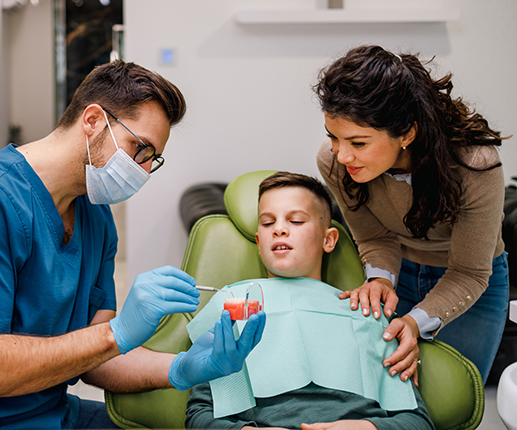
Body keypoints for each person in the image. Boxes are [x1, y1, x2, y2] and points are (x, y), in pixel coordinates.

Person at [0, 60, 265, 428]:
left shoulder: (96, 217)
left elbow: (99, 357)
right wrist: (115, 333)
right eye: (140, 149)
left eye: (153, 159)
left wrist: (184, 366)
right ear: (94, 120)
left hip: (58, 414)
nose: (144, 170)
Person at [314, 45, 508, 384]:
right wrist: (380, 280)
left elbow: (469, 272)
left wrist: (416, 320)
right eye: (333, 137)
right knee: (391, 399)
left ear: (407, 133)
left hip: (472, 281)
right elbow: (375, 237)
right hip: (401, 269)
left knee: (454, 401)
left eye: (358, 143)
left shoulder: (474, 165)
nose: (342, 155)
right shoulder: (334, 163)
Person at [185, 171, 434, 430]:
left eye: (295, 220)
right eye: (268, 223)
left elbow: (416, 422)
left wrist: (366, 428)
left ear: (328, 239)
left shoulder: (367, 313)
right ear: (259, 243)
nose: (279, 229)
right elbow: (201, 415)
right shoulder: (231, 311)